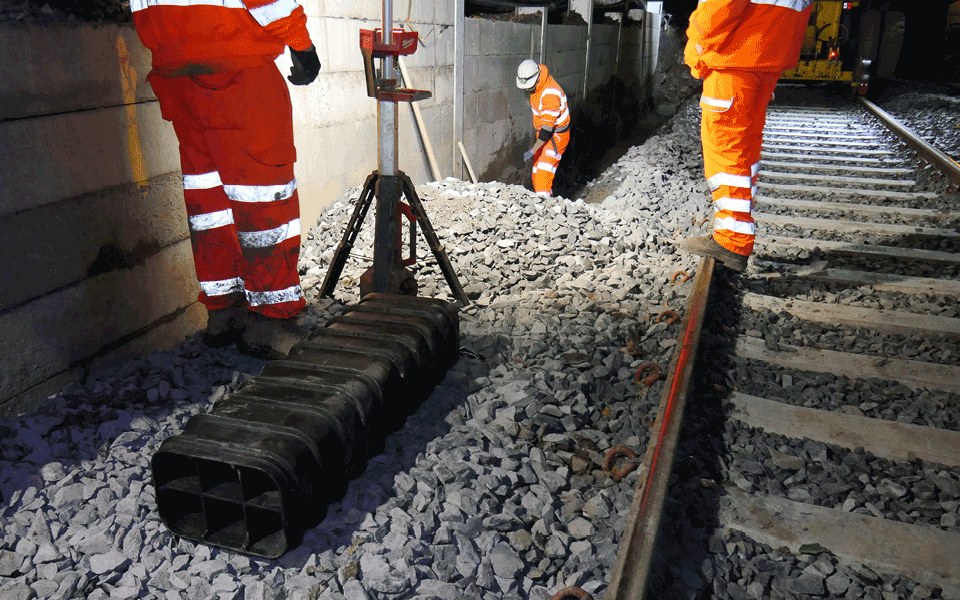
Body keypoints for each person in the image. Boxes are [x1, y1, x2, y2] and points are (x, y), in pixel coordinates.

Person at [130, 0, 322, 359]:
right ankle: (271, 320)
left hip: (175, 72)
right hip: (236, 67)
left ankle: (224, 309)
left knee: (209, 197)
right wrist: (302, 44)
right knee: (263, 192)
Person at [678, 0, 813, 271]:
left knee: (726, 148)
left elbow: (722, 5)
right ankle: (736, 229)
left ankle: (732, 239)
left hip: (736, 52)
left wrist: (698, 44)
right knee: (745, 149)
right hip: (769, 52)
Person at [516, 60, 571, 198]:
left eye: (529, 86)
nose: (527, 90)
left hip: (555, 137)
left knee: (542, 176)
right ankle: (547, 202)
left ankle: (546, 213)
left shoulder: (550, 94)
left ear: (537, 77)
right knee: (536, 173)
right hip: (544, 134)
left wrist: (533, 150)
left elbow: (547, 130)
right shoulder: (538, 84)